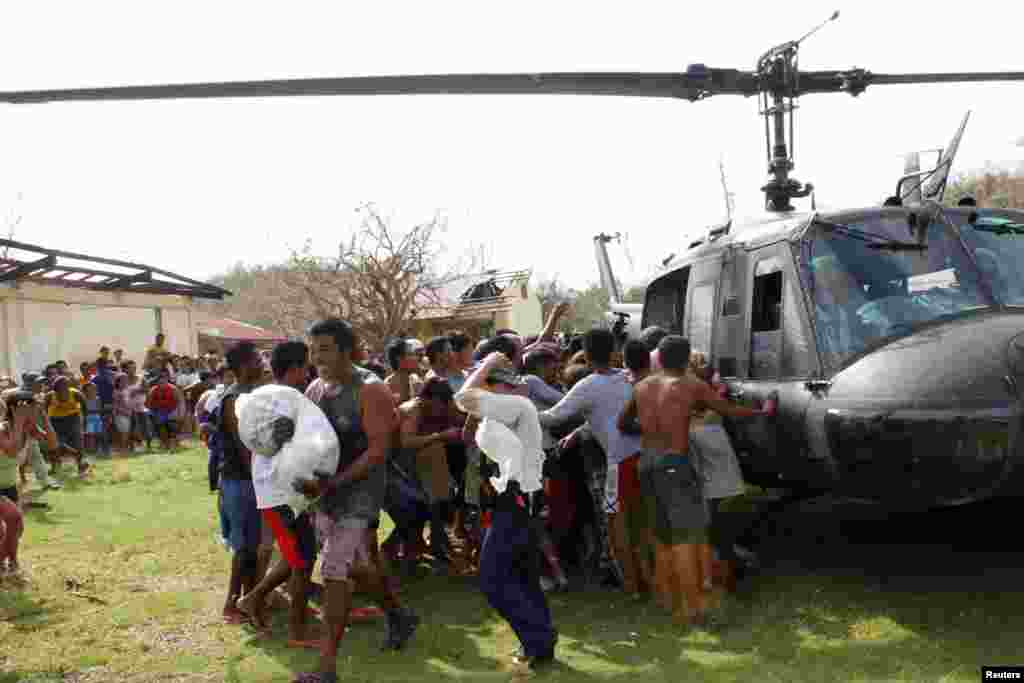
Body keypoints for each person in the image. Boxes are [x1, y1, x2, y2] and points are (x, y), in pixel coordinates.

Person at [288, 318, 418, 683]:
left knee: (333, 568)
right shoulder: (315, 388)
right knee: (358, 566)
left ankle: (326, 669)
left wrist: (336, 483)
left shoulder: (370, 389)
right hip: (326, 491)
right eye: (313, 350)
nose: (317, 357)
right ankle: (399, 616)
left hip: (360, 491)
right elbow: (310, 440)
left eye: (325, 349)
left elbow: (379, 450)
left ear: (347, 350)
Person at [620, 335, 772, 626]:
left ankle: (665, 601)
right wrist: (761, 412)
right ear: (686, 357)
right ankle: (695, 611)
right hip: (674, 465)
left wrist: (653, 428)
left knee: (661, 536)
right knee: (686, 538)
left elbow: (623, 423)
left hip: (647, 463)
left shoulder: (641, 386)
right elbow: (728, 410)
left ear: (660, 359)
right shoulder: (691, 384)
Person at [454, 351, 557, 670]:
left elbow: (463, 397)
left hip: (517, 500)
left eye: (489, 384)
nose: (485, 390)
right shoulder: (502, 413)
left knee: (493, 578)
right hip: (514, 499)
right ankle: (539, 640)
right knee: (522, 575)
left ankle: (537, 639)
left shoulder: (517, 406)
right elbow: (468, 430)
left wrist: (485, 365)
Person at [236, 341, 322, 648]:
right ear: (298, 367)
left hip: (269, 493)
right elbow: (293, 447)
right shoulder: (288, 401)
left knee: (294, 556)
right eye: (307, 365)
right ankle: (297, 632)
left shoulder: (264, 398)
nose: (309, 371)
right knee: (302, 559)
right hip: (284, 493)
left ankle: (252, 598)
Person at [537, 328, 632, 587]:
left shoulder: (587, 386)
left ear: (586, 358)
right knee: (638, 517)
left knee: (611, 519)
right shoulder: (629, 378)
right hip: (641, 458)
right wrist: (583, 430)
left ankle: (621, 575)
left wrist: (520, 409)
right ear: (614, 352)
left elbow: (553, 417)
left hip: (616, 463)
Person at [214, 342, 266, 625]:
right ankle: (231, 604)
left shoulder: (251, 394)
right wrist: (261, 480)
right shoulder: (234, 398)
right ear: (245, 366)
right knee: (244, 547)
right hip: (241, 481)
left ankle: (251, 597)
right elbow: (245, 446)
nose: (263, 363)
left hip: (250, 480)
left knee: (254, 544)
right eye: (259, 359)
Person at [396, 376, 463, 575]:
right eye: (441, 405)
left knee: (430, 501)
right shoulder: (414, 410)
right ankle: (415, 552)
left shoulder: (431, 408)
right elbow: (406, 442)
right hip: (397, 467)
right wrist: (440, 436)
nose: (442, 410)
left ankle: (432, 544)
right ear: (432, 399)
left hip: (413, 468)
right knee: (417, 507)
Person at [44, 377, 90, 477]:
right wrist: (45, 424)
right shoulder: (49, 396)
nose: (64, 391)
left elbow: (85, 407)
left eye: (66, 387)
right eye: (60, 389)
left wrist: (85, 422)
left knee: (77, 441)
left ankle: (81, 466)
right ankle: (55, 466)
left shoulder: (75, 393)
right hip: (55, 421)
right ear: (55, 390)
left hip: (73, 418)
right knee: (55, 444)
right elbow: (43, 411)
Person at [384, 338, 424, 406]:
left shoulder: (417, 380)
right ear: (399, 358)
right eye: (410, 354)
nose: (416, 358)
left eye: (415, 354)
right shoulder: (388, 386)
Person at [146, 371, 179, 452]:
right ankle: (163, 443)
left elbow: (177, 401)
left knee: (172, 427)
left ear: (167, 380)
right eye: (160, 381)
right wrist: (152, 413)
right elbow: (149, 403)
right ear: (157, 381)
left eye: (164, 380)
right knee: (160, 426)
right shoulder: (153, 390)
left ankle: (171, 445)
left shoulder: (173, 389)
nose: (162, 382)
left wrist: (176, 412)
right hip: (158, 411)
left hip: (170, 411)